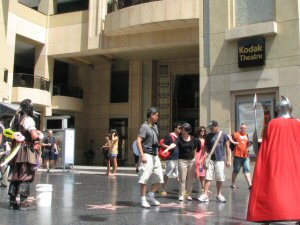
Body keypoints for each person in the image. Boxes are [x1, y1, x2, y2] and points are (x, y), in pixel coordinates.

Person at [247, 96, 300, 223]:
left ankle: (270, 212)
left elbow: (264, 145)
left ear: (278, 109)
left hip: (275, 162)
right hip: (294, 162)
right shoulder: (298, 123)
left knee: (272, 186)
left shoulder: (272, 124)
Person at [7, 99, 44, 210]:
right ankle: (23, 203)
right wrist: (39, 134)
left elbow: (11, 133)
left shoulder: (15, 118)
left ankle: (12, 201)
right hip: (25, 150)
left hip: (15, 151)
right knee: (25, 175)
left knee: (15, 175)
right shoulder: (28, 120)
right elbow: (33, 136)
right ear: (29, 108)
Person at [198, 120, 231, 203]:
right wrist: (202, 157)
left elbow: (228, 148)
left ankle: (219, 194)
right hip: (210, 160)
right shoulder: (208, 136)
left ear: (217, 126)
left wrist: (229, 160)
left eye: (212, 127)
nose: (211, 129)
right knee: (208, 177)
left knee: (219, 178)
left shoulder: (223, 135)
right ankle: (205, 194)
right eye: (210, 128)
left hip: (220, 159)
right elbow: (205, 147)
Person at [137, 107, 163, 208]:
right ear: (151, 115)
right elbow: (139, 141)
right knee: (144, 177)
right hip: (147, 154)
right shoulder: (144, 126)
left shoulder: (155, 127)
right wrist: (142, 155)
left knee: (159, 177)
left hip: (155, 155)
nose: (157, 117)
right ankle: (143, 199)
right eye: (156, 115)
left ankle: (151, 195)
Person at [177, 122, 199, 201]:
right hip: (182, 160)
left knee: (190, 179)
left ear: (187, 130)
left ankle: (188, 194)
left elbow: (196, 148)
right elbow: (175, 145)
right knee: (182, 179)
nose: (181, 130)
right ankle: (181, 195)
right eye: (181, 129)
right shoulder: (179, 139)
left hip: (191, 160)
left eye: (183, 129)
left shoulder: (193, 139)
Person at [160, 121, 182, 196]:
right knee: (167, 173)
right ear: (175, 128)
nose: (180, 129)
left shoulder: (179, 137)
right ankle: (162, 188)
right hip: (171, 158)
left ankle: (182, 190)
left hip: (178, 157)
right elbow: (162, 144)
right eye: (179, 128)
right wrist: (169, 148)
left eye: (181, 128)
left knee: (178, 174)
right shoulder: (170, 136)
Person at [230, 123, 252, 190]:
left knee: (247, 170)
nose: (243, 129)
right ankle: (233, 183)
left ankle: (250, 185)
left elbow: (247, 144)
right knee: (236, 170)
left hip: (246, 156)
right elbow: (228, 136)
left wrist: (249, 144)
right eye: (242, 128)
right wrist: (234, 142)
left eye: (244, 128)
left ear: (246, 128)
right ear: (240, 128)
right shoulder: (236, 134)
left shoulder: (246, 135)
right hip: (237, 156)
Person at [194, 126, 207, 193]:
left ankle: (203, 188)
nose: (202, 131)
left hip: (203, 157)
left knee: (202, 173)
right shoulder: (196, 139)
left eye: (204, 130)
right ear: (198, 131)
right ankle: (188, 188)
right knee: (195, 173)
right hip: (197, 156)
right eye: (201, 130)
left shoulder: (206, 139)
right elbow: (194, 149)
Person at [0, 119, 9, 188]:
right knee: (2, 164)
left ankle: (4, 182)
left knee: (2, 164)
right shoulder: (2, 127)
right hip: (2, 148)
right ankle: (4, 182)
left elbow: (0, 139)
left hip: (0, 148)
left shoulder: (0, 127)